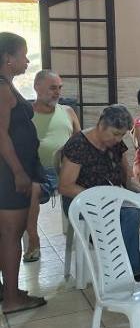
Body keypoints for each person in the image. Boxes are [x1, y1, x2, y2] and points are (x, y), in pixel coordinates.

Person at [59, 104, 140, 281]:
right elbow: (65, 186)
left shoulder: (115, 146)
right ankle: (129, 272)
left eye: (122, 134)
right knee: (131, 214)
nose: (118, 139)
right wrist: (101, 198)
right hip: (82, 202)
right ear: (101, 125)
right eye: (115, 133)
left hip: (114, 200)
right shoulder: (78, 144)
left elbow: (127, 179)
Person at [0, 32, 46, 313]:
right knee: (11, 233)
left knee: (5, 233)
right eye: (23, 54)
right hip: (7, 172)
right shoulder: (2, 90)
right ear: (7, 58)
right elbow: (1, 135)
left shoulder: (7, 86)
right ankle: (13, 299)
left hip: (11, 169)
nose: (27, 60)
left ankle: (9, 290)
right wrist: (18, 171)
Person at [28, 69, 80, 262]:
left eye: (59, 88)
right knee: (32, 189)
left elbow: (79, 142)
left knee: (91, 185)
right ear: (37, 87)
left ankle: (91, 233)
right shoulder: (26, 114)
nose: (57, 92)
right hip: (38, 171)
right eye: (52, 88)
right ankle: (33, 239)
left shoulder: (68, 111)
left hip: (67, 168)